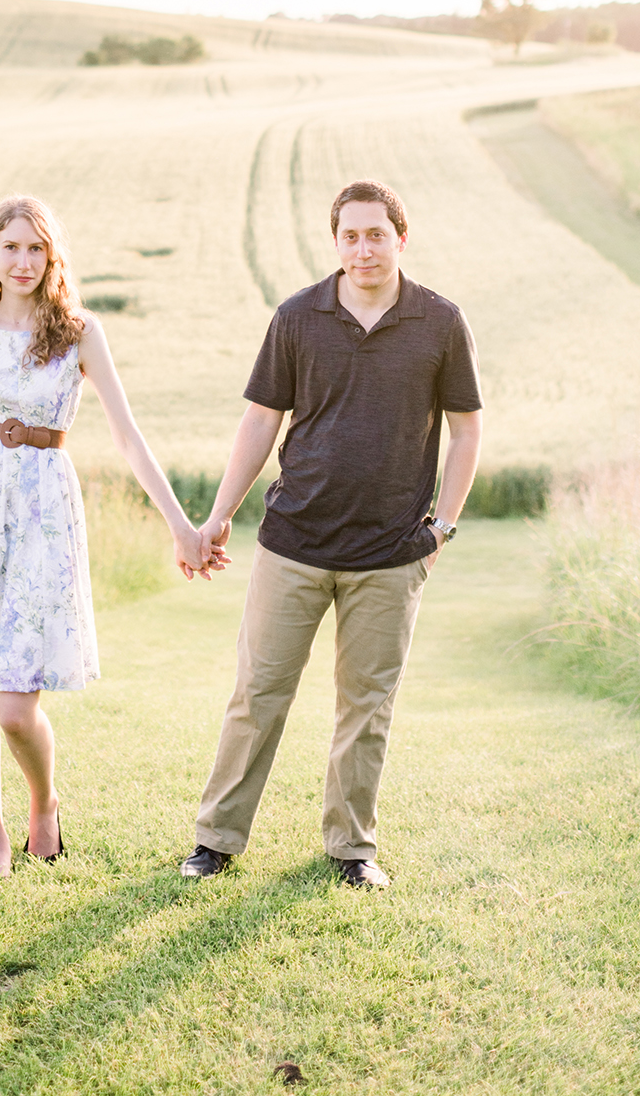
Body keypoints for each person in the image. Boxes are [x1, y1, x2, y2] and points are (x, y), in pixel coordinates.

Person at [180, 178, 482, 888]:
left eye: (377, 233)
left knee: (366, 708)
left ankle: (353, 850)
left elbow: (468, 431)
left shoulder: (440, 322)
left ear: (401, 238)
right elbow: (260, 421)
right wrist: (220, 513)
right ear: (336, 241)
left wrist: (442, 526)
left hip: (390, 553)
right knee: (258, 695)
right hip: (294, 544)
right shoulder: (298, 317)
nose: (364, 247)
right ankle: (216, 841)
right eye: (351, 234)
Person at [0, 193, 219, 876]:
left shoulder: (78, 334)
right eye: (10, 247)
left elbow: (129, 438)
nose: (22, 261)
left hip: (43, 518)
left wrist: (181, 526)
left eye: (35, 249)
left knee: (17, 707)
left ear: (53, 258)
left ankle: (43, 803)